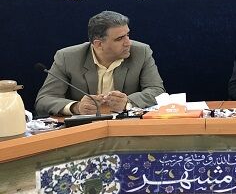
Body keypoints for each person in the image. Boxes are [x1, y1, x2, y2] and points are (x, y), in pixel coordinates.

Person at [35, 11, 165, 116]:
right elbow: (44, 100)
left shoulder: (141, 52)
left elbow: (157, 91)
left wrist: (128, 102)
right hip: (84, 129)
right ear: (98, 44)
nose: (128, 43)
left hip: (126, 126)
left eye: (128, 35)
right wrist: (76, 107)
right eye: (120, 38)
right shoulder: (67, 57)